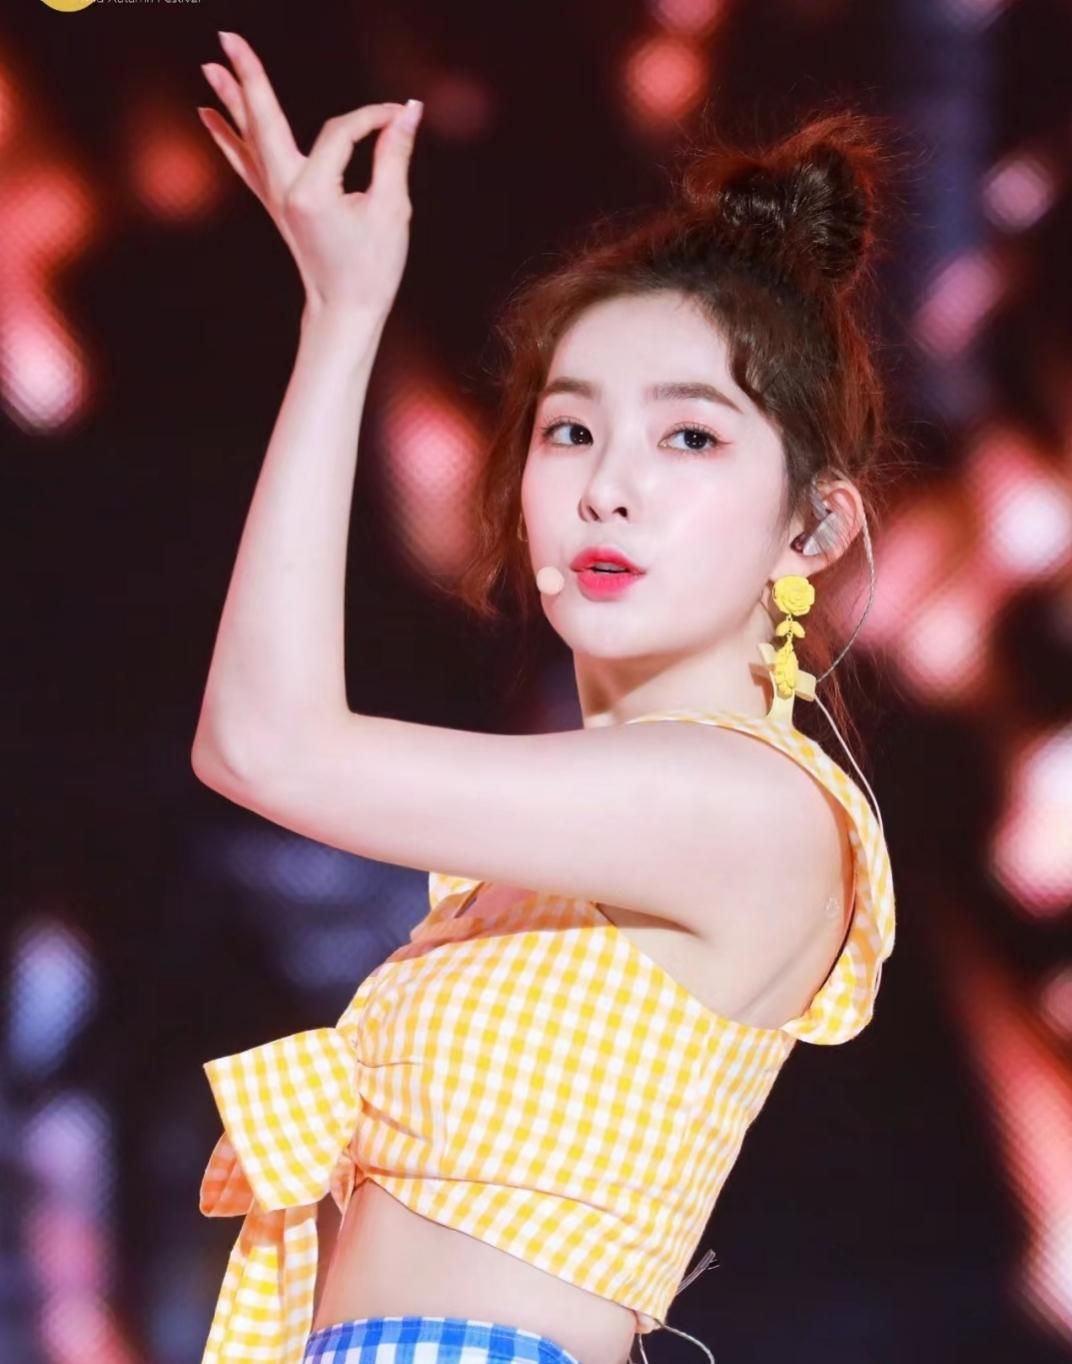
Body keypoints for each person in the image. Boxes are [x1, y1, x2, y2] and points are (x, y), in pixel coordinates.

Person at [192, 28, 900, 1364]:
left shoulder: (743, 802)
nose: (608, 486)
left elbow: (266, 745)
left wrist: (342, 321)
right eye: (571, 429)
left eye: (690, 435)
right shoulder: (555, 848)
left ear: (812, 528)